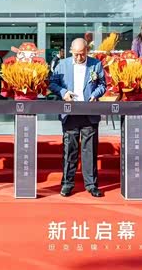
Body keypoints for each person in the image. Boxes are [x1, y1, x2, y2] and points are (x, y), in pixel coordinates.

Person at [49, 38, 106, 198]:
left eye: (82, 54)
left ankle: (91, 184)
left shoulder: (96, 64)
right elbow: (52, 83)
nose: (79, 57)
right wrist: (63, 93)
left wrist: (95, 94)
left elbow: (102, 84)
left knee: (90, 150)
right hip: (70, 112)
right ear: (71, 51)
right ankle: (67, 183)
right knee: (70, 150)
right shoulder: (62, 65)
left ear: (87, 51)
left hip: (89, 112)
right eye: (76, 54)